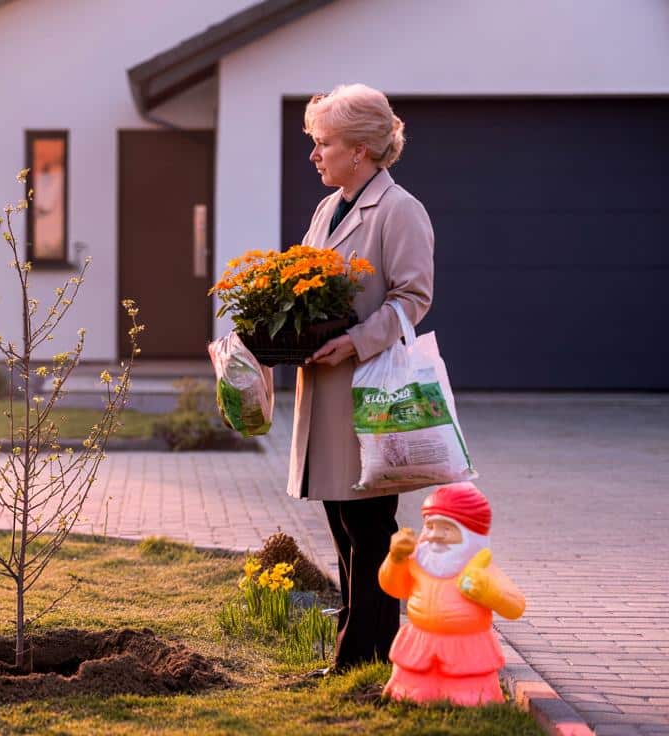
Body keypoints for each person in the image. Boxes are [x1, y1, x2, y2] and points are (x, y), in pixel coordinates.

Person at [287, 83, 435, 672]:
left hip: (371, 389)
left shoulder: (401, 210)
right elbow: (301, 279)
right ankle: (357, 653)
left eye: (324, 143)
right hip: (326, 389)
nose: (315, 155)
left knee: (369, 526)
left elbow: (412, 299)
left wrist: (356, 340)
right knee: (342, 523)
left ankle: (367, 655)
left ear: (362, 149)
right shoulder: (329, 207)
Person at [379, 483, 525, 704]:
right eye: (429, 526)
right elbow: (393, 587)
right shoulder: (417, 561)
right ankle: (410, 695)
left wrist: (489, 593)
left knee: (468, 694)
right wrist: (395, 559)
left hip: (467, 649)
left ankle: (469, 699)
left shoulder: (480, 569)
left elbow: (515, 607)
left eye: (446, 529)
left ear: (469, 535)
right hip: (420, 645)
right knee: (411, 690)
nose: (435, 536)